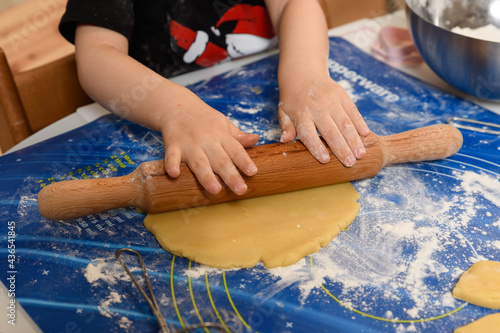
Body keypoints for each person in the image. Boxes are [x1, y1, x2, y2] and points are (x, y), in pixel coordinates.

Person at [59, 0, 370, 196]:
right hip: (152, 102)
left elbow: (293, 4)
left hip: (255, 79)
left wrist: (306, 76)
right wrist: (175, 110)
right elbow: (97, 55)